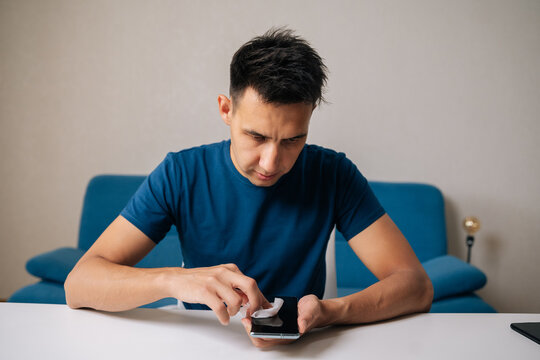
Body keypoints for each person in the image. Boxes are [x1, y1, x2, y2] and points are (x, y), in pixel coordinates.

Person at [65, 27, 433, 348]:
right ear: (226, 110)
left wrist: (329, 312)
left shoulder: (333, 173)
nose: (272, 163)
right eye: (256, 136)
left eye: (292, 140)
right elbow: (80, 284)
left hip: (307, 348)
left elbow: (415, 285)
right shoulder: (181, 172)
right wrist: (175, 280)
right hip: (201, 342)